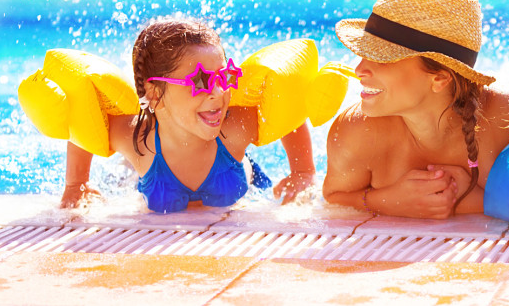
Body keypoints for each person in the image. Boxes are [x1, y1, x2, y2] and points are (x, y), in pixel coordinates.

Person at [21, 17, 338, 213]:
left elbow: (288, 112)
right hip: (159, 171)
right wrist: (76, 183)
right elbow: (86, 123)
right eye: (200, 81)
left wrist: (302, 172)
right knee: (128, 173)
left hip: (232, 172)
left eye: (223, 77)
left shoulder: (234, 130)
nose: (217, 94)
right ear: (156, 93)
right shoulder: (137, 141)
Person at [323, 0, 509, 219]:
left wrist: (474, 201)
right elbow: (333, 198)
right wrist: (385, 201)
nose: (359, 70)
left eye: (382, 59)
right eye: (364, 54)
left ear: (439, 78)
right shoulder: (356, 133)